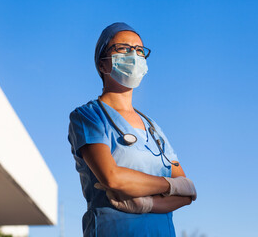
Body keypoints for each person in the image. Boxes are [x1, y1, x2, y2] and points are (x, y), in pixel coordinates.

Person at [68, 22, 197, 237]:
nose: (134, 55)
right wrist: (170, 186)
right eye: (124, 49)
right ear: (102, 64)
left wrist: (145, 204)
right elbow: (113, 178)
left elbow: (187, 193)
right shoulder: (89, 116)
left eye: (139, 50)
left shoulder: (153, 128)